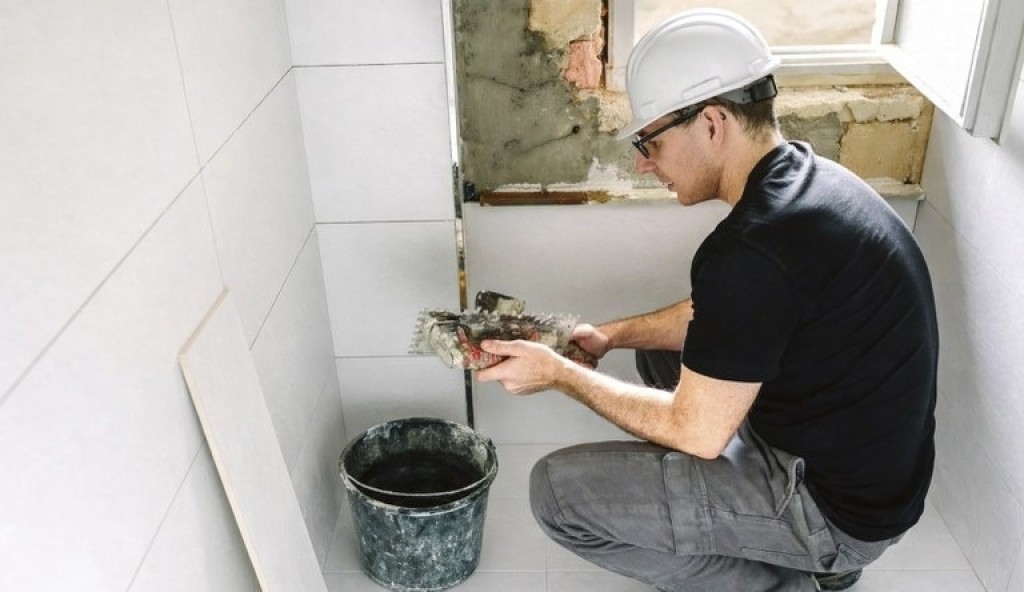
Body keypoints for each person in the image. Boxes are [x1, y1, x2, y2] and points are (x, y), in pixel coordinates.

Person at [476, 8, 938, 592]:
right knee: (660, 357)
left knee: (555, 495)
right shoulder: (810, 181)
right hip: (872, 481)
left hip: (833, 514)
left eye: (651, 141)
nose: (644, 162)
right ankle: (795, 544)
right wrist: (611, 336)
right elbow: (719, 315)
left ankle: (793, 580)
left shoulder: (750, 249)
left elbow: (695, 433)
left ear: (713, 123)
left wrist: (560, 374)